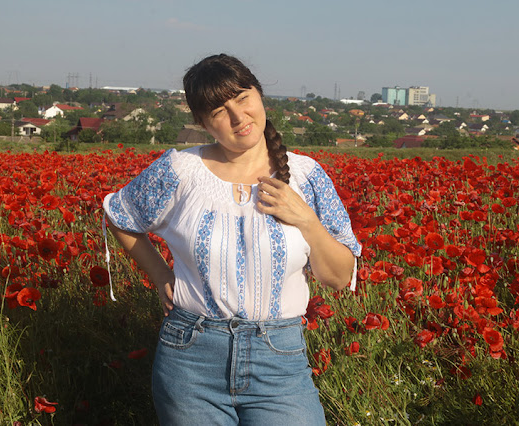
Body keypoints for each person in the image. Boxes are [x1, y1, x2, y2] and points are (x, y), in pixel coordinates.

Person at [103, 53, 361, 425]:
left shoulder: (307, 176)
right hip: (190, 360)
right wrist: (160, 275)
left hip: (280, 364)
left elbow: (339, 278)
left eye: (243, 98)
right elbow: (120, 216)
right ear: (203, 123)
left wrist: (306, 220)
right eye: (220, 111)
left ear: (260, 95)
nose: (239, 118)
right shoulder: (181, 171)